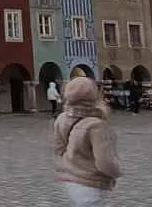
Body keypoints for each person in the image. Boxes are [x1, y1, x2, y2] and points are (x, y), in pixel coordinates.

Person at [53, 76, 122, 206]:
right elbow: (104, 162)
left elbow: (59, 149)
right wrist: (116, 172)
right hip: (90, 183)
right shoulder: (97, 125)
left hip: (70, 179)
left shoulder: (61, 118)